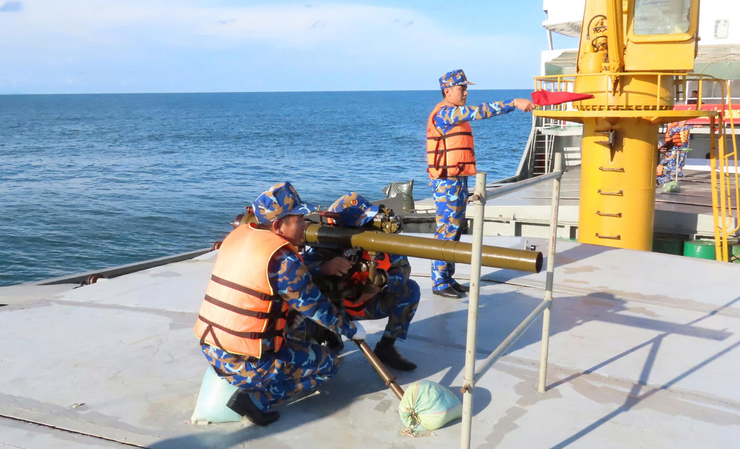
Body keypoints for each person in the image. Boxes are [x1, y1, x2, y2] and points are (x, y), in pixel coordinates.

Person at [194, 182, 365, 426]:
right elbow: (318, 309)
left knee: (295, 324)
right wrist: (351, 329)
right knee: (329, 363)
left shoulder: (237, 239)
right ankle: (256, 401)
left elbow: (275, 279)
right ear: (277, 226)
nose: (305, 224)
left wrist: (319, 268)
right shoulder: (283, 260)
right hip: (247, 364)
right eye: (299, 219)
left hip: (212, 347)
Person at [426, 69, 534, 298]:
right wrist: (514, 103)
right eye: (461, 88)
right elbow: (480, 112)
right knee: (447, 231)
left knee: (455, 231)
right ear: (447, 91)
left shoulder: (453, 112)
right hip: (447, 182)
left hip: (457, 180)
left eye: (466, 88)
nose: (465, 92)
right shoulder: (446, 113)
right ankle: (439, 283)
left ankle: (447, 278)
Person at [302, 192, 421, 372]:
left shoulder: (380, 241)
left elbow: (403, 268)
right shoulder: (326, 242)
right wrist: (324, 267)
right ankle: (325, 336)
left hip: (366, 305)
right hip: (330, 308)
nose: (370, 224)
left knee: (410, 290)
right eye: (365, 221)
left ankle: (386, 347)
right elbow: (298, 270)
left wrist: (381, 281)